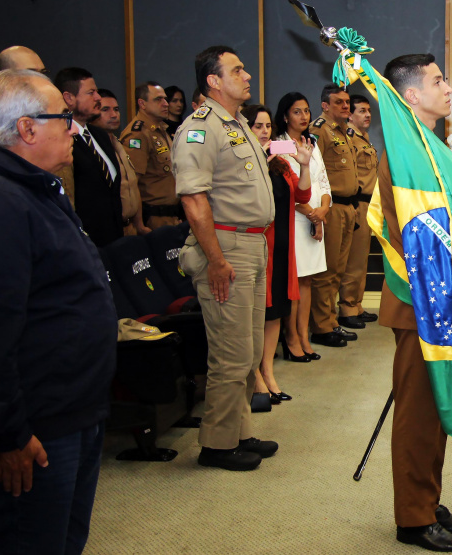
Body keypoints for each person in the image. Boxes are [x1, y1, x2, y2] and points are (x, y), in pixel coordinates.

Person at [0, 69, 117, 555]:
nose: (72, 127)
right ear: (26, 129)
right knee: (34, 541)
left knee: (67, 538)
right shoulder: (5, 202)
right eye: (62, 118)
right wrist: (8, 434)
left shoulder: (40, 188)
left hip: (77, 408)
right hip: (39, 427)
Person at [380, 54, 452, 552]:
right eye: (438, 80)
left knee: (436, 410)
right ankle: (413, 519)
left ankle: (427, 498)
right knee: (418, 412)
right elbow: (410, 234)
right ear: (411, 96)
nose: (448, 86)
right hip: (421, 300)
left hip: (441, 299)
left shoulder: (429, 146)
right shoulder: (404, 156)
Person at [173, 45, 277, 471]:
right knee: (230, 353)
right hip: (226, 247)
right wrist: (215, 260)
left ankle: (240, 431)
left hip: (252, 244)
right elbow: (195, 200)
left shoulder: (237, 124)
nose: (247, 75)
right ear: (213, 81)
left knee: (248, 350)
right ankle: (216, 444)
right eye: (237, 70)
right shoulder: (199, 128)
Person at [242, 104, 312, 404]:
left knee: (277, 312)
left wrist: (304, 164)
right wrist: (259, 160)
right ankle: (255, 376)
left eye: (268, 127)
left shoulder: (280, 163)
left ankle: (268, 372)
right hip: (259, 247)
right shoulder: (243, 160)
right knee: (259, 313)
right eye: (258, 127)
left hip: (283, 246)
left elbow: (304, 195)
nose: (265, 132)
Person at [274, 92, 329, 360]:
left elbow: (324, 183)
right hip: (295, 219)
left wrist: (322, 212)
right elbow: (286, 189)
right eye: (297, 111)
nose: (304, 116)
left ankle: (304, 335)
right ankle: (291, 337)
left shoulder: (311, 143)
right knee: (294, 282)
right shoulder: (279, 146)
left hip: (315, 218)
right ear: (285, 116)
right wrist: (312, 214)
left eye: (306, 111)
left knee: (307, 281)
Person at [309, 84, 360, 347]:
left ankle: (331, 321)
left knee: (338, 269)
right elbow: (311, 170)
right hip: (330, 207)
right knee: (326, 270)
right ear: (325, 106)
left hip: (347, 207)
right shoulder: (319, 130)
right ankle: (321, 326)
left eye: (347, 102)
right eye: (338, 102)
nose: (345, 106)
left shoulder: (345, 132)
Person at [54, 67, 123, 247]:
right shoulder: (61, 139)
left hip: (114, 238)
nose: (98, 98)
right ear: (69, 98)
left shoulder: (100, 135)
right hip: (85, 243)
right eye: (91, 93)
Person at [339, 94, 379, 327]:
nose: (367, 115)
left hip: (368, 204)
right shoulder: (349, 140)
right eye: (361, 111)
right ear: (350, 115)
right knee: (353, 260)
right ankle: (347, 307)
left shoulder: (364, 139)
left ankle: (356, 303)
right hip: (356, 203)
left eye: (368, 110)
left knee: (361, 258)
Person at [121, 81, 181, 229]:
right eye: (158, 99)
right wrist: (139, 225)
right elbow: (133, 184)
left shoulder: (160, 130)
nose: (165, 103)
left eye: (165, 99)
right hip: (153, 219)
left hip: (171, 216)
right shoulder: (138, 135)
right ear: (142, 103)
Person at [93, 88, 149, 236]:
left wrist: (140, 225)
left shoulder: (118, 145)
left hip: (130, 228)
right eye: (105, 109)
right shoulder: (92, 149)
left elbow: (132, 185)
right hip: (111, 230)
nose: (114, 115)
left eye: (116, 109)